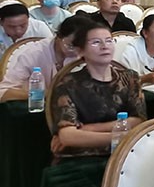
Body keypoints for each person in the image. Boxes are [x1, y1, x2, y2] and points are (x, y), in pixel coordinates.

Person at [49, 22, 146, 158]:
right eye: (96, 42)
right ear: (80, 51)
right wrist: (121, 136)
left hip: (125, 152)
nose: (104, 46)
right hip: (82, 156)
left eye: (109, 41)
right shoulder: (67, 84)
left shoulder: (130, 78)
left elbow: (138, 120)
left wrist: (89, 128)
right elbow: (68, 136)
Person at [0, 16, 87, 102]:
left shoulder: (87, 53)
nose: (77, 53)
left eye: (82, 48)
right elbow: (4, 92)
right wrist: (42, 94)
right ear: (58, 36)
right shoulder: (33, 54)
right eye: (70, 46)